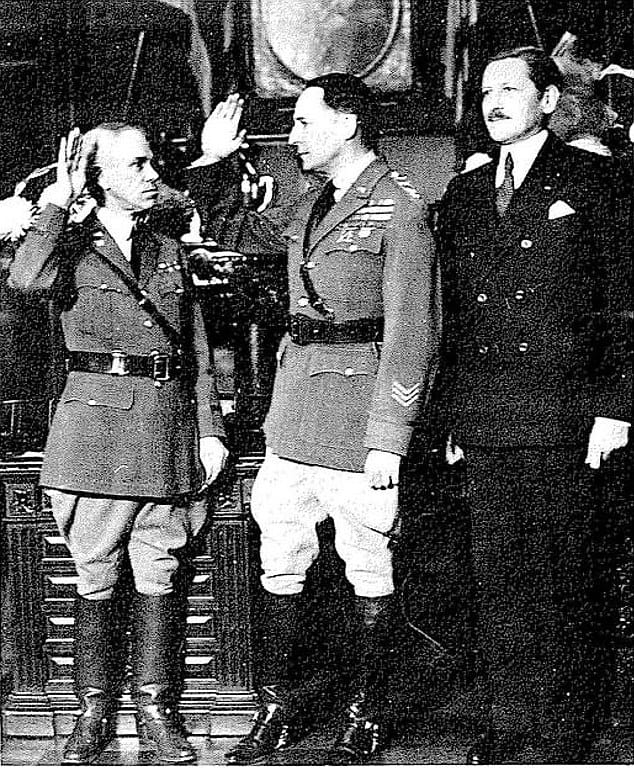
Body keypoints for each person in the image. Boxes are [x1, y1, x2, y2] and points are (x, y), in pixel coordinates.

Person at [186, 73, 440, 763]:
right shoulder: (313, 200)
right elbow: (243, 230)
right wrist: (215, 163)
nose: (291, 135)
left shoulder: (398, 208)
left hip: (360, 421)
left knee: (368, 565)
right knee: (281, 561)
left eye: (302, 121)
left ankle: (366, 712)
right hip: (295, 415)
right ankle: (278, 711)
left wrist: (390, 439)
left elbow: (412, 331)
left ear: (348, 123)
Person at [429, 46, 632, 763]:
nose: (493, 102)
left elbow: (623, 303)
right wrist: (452, 414)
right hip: (487, 415)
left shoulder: (597, 180)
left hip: (567, 415)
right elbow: (451, 316)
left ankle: (565, 723)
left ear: (548, 100)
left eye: (510, 89)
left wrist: (617, 407)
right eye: (485, 91)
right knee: (498, 576)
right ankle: (509, 718)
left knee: (566, 573)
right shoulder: (462, 195)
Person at [9, 124, 228, 765]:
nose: (151, 173)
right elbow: (24, 282)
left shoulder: (167, 249)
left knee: (161, 571)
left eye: (152, 162)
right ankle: (93, 713)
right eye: (135, 165)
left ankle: (158, 711)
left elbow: (194, 349)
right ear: (99, 177)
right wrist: (59, 198)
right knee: (95, 575)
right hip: (95, 437)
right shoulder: (68, 245)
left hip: (164, 432)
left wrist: (210, 428)